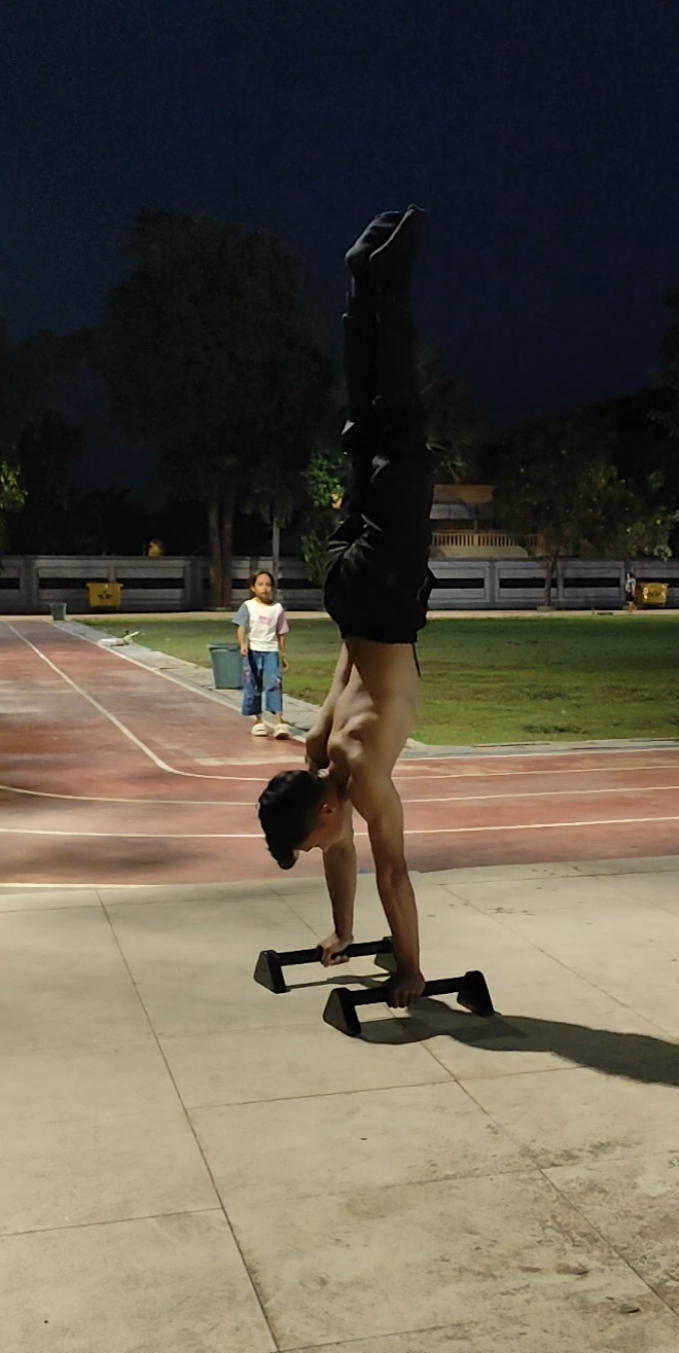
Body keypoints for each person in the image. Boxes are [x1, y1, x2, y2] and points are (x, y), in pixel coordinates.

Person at [256, 206, 435, 1009]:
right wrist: (340, 928)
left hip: (386, 596)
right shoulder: (315, 756)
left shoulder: (353, 766)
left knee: (396, 419)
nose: (331, 839)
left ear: (325, 807)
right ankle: (361, 284)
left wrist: (410, 968)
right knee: (365, 429)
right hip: (348, 595)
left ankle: (380, 279)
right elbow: (339, 850)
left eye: (321, 829)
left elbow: (390, 868)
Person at [236, 570, 291, 739]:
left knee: (274, 683)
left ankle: (278, 721)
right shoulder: (248, 606)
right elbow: (241, 627)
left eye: (268, 584)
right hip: (253, 651)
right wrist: (243, 644)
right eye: (260, 584)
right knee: (253, 684)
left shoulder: (277, 609)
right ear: (253, 587)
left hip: (271, 651)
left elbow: (281, 632)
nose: (264, 588)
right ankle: (258, 721)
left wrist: (283, 655)